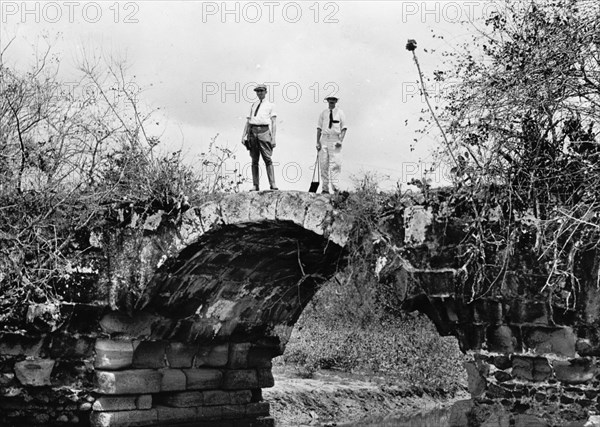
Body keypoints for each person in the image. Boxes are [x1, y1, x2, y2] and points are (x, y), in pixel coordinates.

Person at [241, 83, 278, 191]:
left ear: (265, 92)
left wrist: (273, 138)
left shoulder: (270, 105)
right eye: (257, 91)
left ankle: (273, 184)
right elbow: (248, 121)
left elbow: (274, 122)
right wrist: (243, 135)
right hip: (253, 132)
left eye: (261, 91)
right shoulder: (253, 105)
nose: (259, 93)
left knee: (267, 158)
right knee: (254, 159)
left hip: (264, 131)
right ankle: (255, 184)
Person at [316, 96, 347, 194]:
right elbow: (319, 128)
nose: (331, 102)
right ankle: (325, 189)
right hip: (324, 139)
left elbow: (344, 128)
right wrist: (317, 142)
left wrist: (340, 140)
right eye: (330, 100)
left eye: (333, 100)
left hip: (335, 139)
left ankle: (336, 188)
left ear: (336, 101)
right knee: (324, 164)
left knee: (335, 164)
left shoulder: (340, 113)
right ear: (327, 101)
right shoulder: (323, 113)